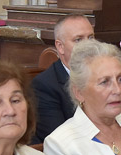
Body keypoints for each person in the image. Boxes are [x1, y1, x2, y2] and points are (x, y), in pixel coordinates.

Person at [31, 14, 94, 142]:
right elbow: (59, 139)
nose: (88, 45)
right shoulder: (44, 86)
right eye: (78, 40)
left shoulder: (106, 75)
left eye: (91, 37)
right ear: (60, 46)